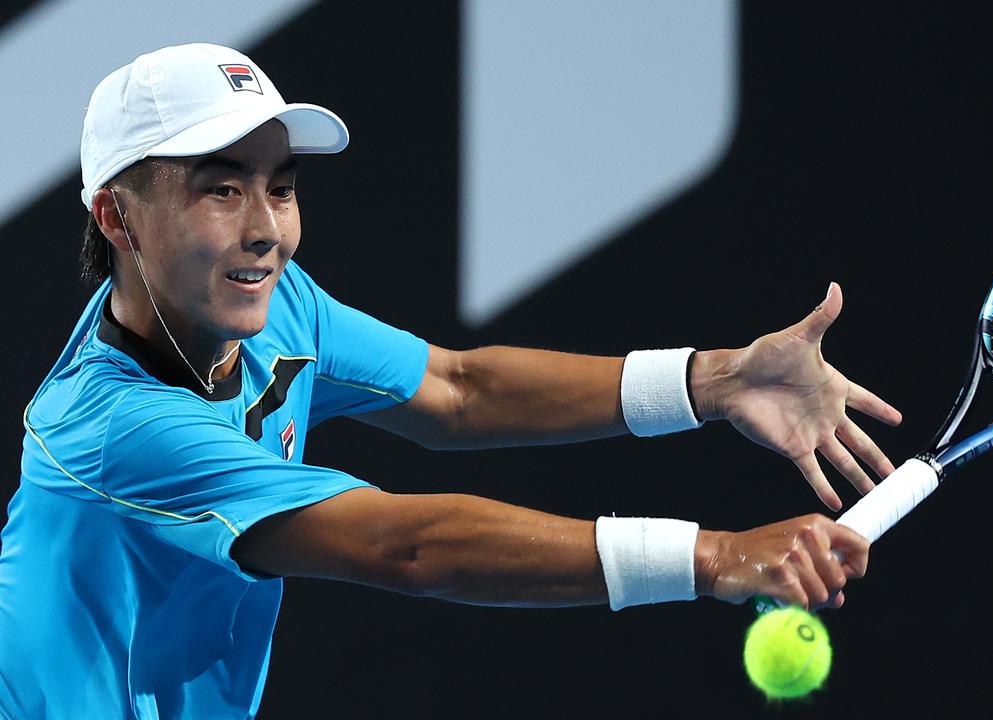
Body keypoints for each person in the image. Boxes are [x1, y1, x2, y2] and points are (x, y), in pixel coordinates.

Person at [0, 43, 902, 718]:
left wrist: (714, 380)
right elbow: (409, 546)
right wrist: (711, 557)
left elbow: (457, 391)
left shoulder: (279, 308)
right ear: (117, 215)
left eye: (281, 188)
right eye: (222, 190)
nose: (268, 230)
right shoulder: (115, 428)